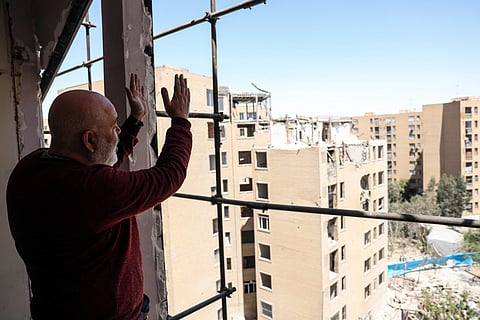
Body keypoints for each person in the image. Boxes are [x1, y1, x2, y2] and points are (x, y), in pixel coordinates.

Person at [6, 73, 192, 320]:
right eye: (114, 126)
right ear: (89, 139)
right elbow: (168, 177)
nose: (118, 130)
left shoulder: (30, 168)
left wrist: (135, 120)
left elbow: (100, 161)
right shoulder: (89, 191)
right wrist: (180, 121)